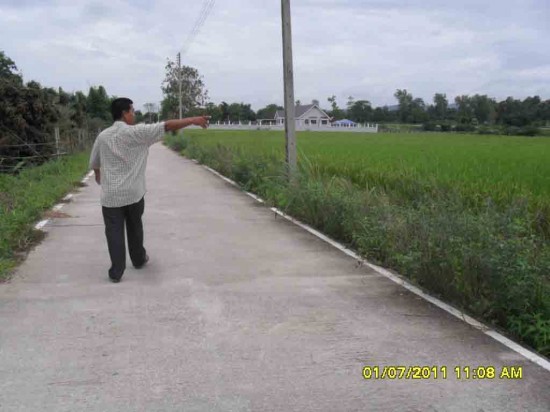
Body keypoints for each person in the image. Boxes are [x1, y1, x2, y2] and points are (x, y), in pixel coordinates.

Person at [89, 97, 209, 283]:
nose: (134, 114)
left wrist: (98, 174)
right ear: (124, 113)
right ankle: (138, 259)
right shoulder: (139, 133)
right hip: (134, 193)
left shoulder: (103, 136)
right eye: (132, 111)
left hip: (111, 195)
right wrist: (193, 120)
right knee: (135, 227)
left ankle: (116, 271)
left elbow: (95, 161)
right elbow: (167, 126)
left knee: (113, 232)